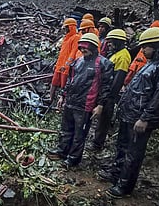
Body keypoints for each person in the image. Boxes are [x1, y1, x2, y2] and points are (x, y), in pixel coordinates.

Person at [98, 27, 159, 198]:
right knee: (122, 147)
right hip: (129, 114)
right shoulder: (151, 64)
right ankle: (116, 174)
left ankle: (125, 186)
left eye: (145, 47)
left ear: (156, 46)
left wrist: (145, 118)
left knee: (134, 153)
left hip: (140, 118)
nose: (143, 50)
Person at [48, 33, 113, 167]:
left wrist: (100, 105)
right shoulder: (78, 61)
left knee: (79, 133)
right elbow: (70, 80)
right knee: (66, 129)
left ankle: (73, 158)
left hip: (86, 105)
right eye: (81, 47)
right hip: (71, 101)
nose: (83, 50)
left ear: (94, 47)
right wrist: (62, 96)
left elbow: (106, 87)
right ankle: (62, 151)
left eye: (86, 47)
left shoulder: (103, 63)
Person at [88, 29, 131, 152]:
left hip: (109, 94)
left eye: (112, 42)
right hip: (105, 91)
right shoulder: (116, 54)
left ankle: (97, 144)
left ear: (118, 42)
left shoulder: (123, 56)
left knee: (104, 120)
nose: (110, 45)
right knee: (101, 119)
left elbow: (118, 78)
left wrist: (108, 97)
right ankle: (97, 140)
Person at [49, 18, 81, 100]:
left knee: (64, 85)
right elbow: (61, 54)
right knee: (54, 82)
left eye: (66, 27)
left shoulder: (76, 37)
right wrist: (57, 64)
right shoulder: (66, 38)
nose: (65, 29)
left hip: (66, 67)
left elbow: (73, 53)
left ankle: (61, 102)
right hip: (60, 65)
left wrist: (67, 65)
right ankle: (50, 99)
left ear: (71, 27)